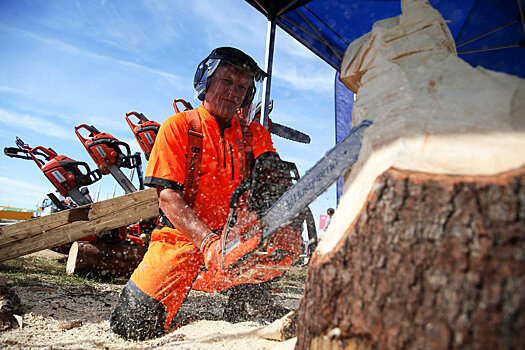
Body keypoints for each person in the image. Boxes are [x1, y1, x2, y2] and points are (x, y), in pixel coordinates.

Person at [110, 47, 301, 340]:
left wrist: (282, 210)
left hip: (237, 236)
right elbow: (167, 197)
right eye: (227, 81)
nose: (234, 91)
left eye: (242, 86)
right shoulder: (179, 127)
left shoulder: (255, 135)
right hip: (183, 238)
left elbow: (273, 184)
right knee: (131, 325)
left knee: (278, 247)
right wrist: (209, 243)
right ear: (207, 81)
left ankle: (248, 301)